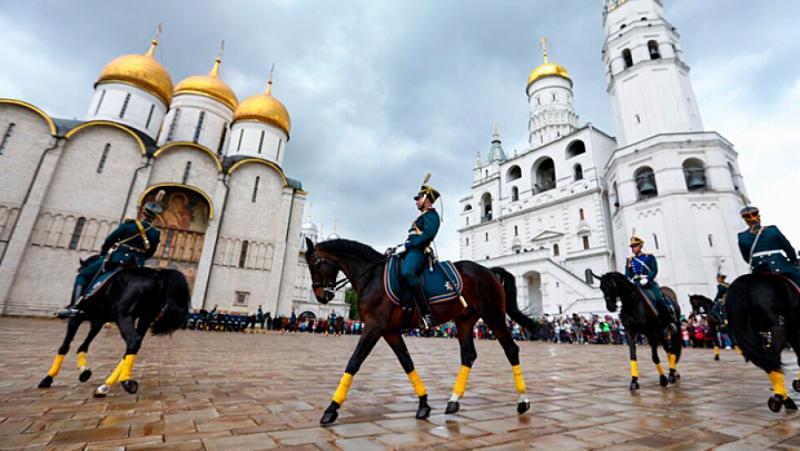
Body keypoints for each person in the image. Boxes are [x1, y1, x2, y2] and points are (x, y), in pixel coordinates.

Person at [57, 197, 163, 319]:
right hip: (137, 265)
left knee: (82, 275)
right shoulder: (155, 232)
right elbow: (150, 252)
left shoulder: (128, 225)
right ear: (155, 217)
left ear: (143, 213)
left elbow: (110, 240)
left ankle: (74, 307)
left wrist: (103, 253)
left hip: (117, 259)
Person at [385, 177, 441, 329]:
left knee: (408, 273)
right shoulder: (421, 216)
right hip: (411, 248)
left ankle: (427, 314)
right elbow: (413, 236)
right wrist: (399, 247)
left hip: (419, 251)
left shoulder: (431, 216)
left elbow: (427, 235)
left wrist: (407, 246)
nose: (416, 201)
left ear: (427, 199)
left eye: (418, 198)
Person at [624, 236, 677, 334]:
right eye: (632, 246)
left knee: (660, 299)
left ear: (640, 246)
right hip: (636, 284)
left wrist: (647, 279)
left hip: (649, 284)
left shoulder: (649, 257)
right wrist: (629, 279)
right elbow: (627, 273)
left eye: (635, 246)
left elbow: (654, 270)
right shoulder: (630, 260)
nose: (633, 248)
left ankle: (669, 322)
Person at [737, 206, 800, 287]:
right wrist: (793, 260)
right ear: (759, 217)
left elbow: (747, 258)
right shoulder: (772, 230)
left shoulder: (742, 237)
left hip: (758, 270)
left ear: (746, 221)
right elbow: (788, 248)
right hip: (780, 265)